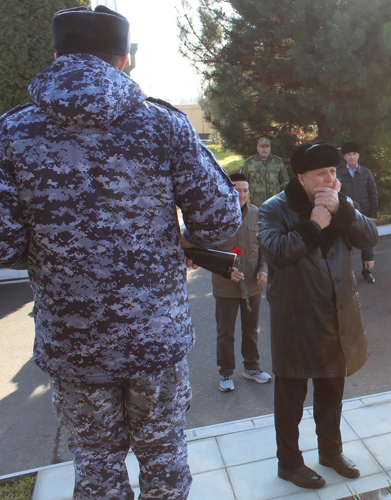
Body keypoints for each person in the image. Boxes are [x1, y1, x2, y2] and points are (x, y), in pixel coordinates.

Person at [0, 6, 241, 499]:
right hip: (154, 335)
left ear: (56, 55)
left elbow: (3, 244)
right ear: (125, 59)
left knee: (95, 459)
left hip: (71, 339)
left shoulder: (11, 132)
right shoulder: (163, 124)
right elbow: (218, 221)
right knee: (163, 452)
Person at [258, 143, 378, 489]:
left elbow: (370, 236)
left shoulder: (341, 202)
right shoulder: (274, 209)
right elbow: (277, 253)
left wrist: (342, 212)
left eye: (333, 171)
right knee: (291, 400)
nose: (330, 178)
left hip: (337, 316)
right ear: (301, 177)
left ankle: (330, 451)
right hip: (296, 321)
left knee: (331, 391)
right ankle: (289, 463)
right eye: (321, 173)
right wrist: (313, 225)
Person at [212, 173, 272, 392]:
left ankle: (252, 367)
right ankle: (226, 373)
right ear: (228, 191)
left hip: (253, 288)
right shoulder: (216, 216)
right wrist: (225, 271)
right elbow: (207, 253)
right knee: (225, 332)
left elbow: (264, 248)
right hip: (225, 287)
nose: (242, 194)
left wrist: (264, 270)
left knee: (251, 329)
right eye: (237, 190)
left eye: (245, 190)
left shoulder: (257, 214)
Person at [336, 141, 379, 283]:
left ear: (358, 155)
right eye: (349, 154)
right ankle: (346, 275)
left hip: (365, 214)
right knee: (345, 245)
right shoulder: (339, 174)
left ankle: (367, 272)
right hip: (346, 215)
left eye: (354, 154)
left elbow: (373, 194)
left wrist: (373, 215)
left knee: (366, 243)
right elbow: (336, 195)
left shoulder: (366, 173)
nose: (352, 157)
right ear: (344, 156)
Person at [240, 137, 289, 206]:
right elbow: (242, 183)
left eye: (267, 146)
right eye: (262, 146)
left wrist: (282, 199)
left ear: (270, 148)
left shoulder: (278, 163)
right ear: (257, 148)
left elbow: (285, 182)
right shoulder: (249, 163)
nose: (264, 149)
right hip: (256, 205)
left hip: (274, 204)